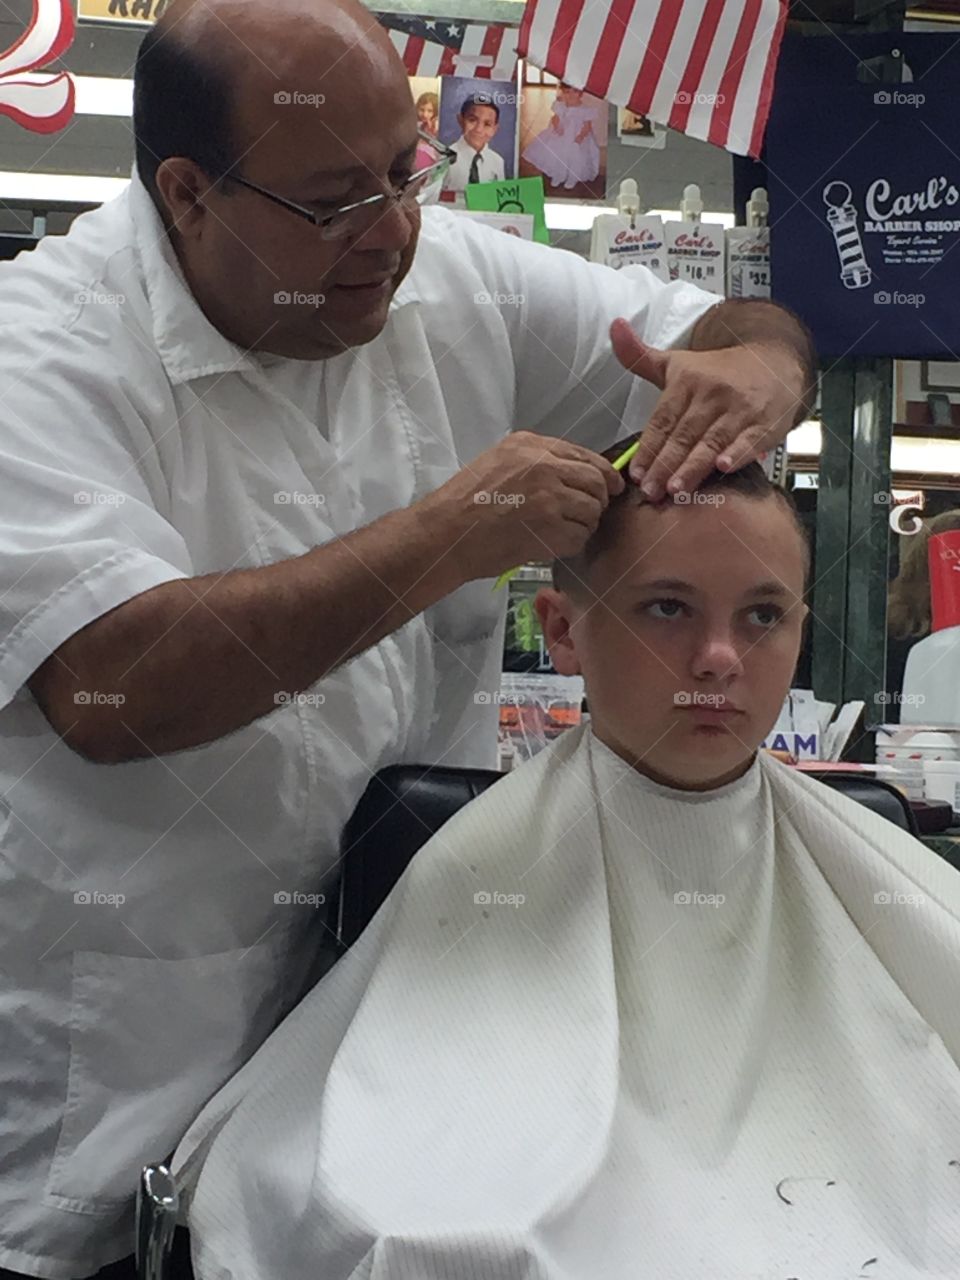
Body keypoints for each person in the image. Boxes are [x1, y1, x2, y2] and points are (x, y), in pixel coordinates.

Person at [0, 0, 817, 1271]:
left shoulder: (456, 278)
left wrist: (762, 374)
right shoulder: (40, 355)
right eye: (332, 202)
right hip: (129, 1057)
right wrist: (443, 537)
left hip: (393, 1031)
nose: (391, 236)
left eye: (405, 172)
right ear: (187, 193)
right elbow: (112, 686)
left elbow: (729, 332)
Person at [173, 452, 960, 1280]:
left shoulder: (869, 864)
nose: (720, 658)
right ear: (561, 630)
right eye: (666, 607)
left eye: (764, 614)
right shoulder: (483, 863)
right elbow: (372, 1192)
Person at [522, 83, 601, 191]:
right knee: (557, 154)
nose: (571, 95)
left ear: (581, 93)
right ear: (563, 93)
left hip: (576, 137)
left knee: (574, 156)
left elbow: (587, 126)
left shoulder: (585, 110)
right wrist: (557, 126)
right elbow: (555, 118)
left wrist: (581, 136)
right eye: (567, 92)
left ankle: (572, 177)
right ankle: (558, 174)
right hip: (561, 134)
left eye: (575, 92)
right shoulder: (561, 106)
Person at [442, 92, 507, 191]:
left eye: (487, 124)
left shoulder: (497, 162)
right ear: (460, 120)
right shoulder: (444, 159)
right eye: (472, 120)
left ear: (494, 129)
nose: (478, 129)